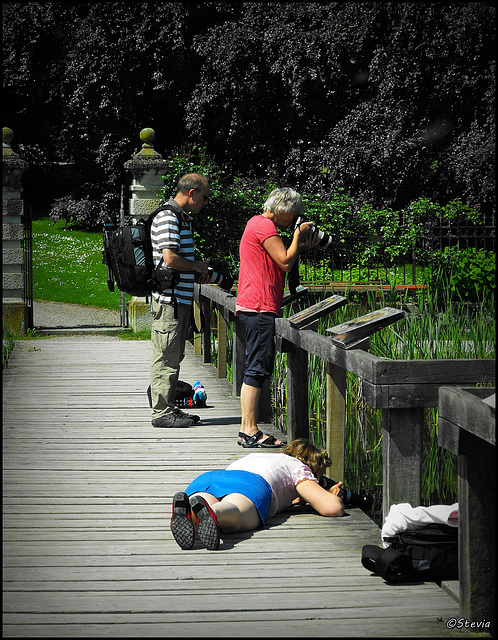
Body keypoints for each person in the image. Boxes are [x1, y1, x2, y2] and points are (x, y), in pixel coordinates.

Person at [235, 187, 320, 447]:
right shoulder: (264, 226)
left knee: (256, 367)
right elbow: (284, 261)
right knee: (257, 369)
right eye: (294, 214)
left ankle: (247, 429)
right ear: (283, 208)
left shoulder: (255, 223)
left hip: (254, 306)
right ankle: (249, 429)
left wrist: (300, 244)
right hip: (259, 308)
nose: (295, 218)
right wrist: (296, 236)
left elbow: (279, 262)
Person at [170, 438, 344, 550]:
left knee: (202, 502)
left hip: (211, 478)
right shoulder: (298, 468)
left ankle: (189, 510)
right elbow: (332, 508)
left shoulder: (259, 456)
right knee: (234, 511)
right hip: (252, 485)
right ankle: (215, 513)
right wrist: (331, 494)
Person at [149, 173, 211, 428]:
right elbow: (171, 259)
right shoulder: (168, 217)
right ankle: (162, 414)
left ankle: (170, 407)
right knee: (165, 356)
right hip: (169, 301)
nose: (205, 204)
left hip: (177, 300)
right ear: (192, 193)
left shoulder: (180, 218)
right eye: (204, 198)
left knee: (173, 356)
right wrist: (197, 266)